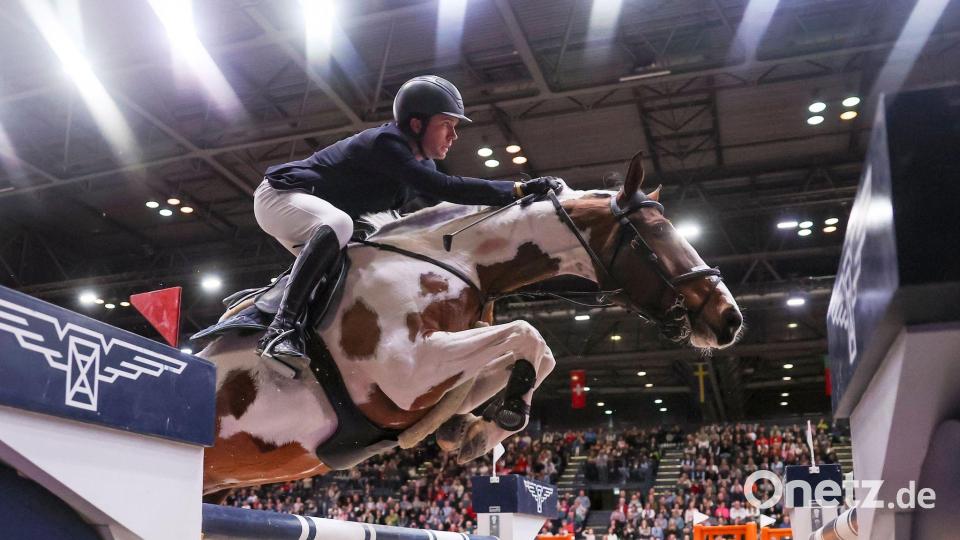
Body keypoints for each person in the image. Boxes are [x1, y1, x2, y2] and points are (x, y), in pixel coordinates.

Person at [253, 75, 561, 422]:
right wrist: (516, 190)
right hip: (282, 197)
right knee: (341, 225)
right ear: (416, 124)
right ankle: (280, 329)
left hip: (323, 218)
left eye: (455, 127)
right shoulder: (388, 144)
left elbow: (434, 214)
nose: (454, 136)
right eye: (446, 125)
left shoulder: (419, 163)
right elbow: (449, 188)